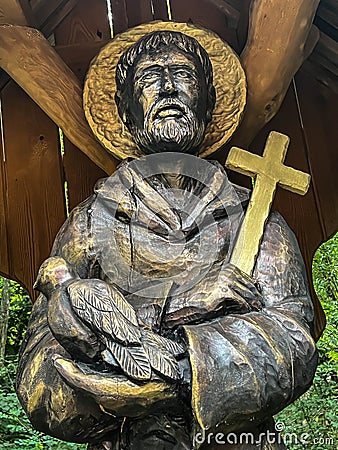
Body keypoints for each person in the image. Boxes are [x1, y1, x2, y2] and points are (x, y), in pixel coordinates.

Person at [16, 25, 317, 450]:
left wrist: (187, 370)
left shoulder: (255, 217)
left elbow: (293, 336)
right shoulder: (89, 222)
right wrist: (111, 387)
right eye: (149, 78)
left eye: (184, 73)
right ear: (127, 110)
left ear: (208, 103)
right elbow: (38, 366)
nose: (168, 87)